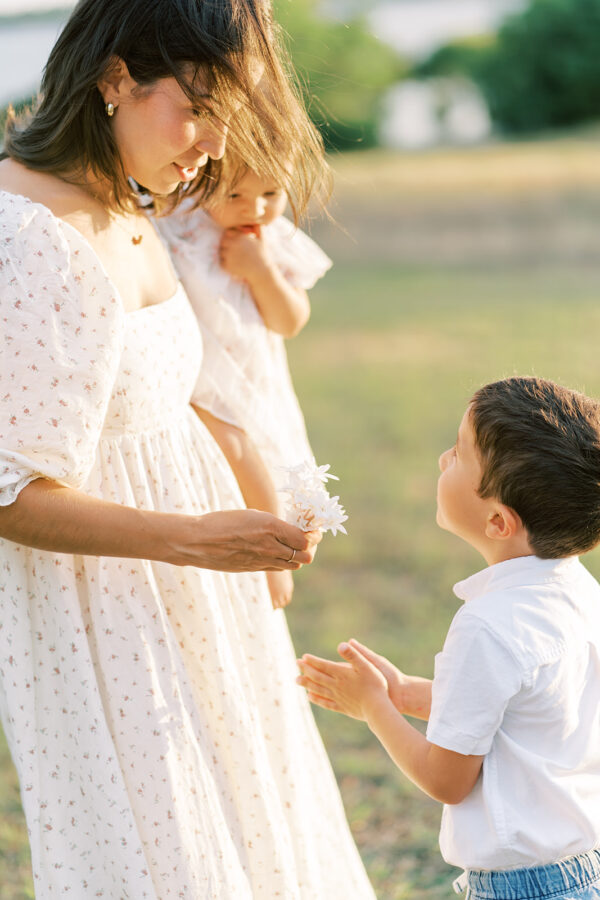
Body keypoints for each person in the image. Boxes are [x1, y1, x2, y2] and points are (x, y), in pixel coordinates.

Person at [0, 1, 377, 897]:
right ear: (115, 76)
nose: (213, 145)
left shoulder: (130, 198)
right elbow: (10, 493)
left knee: (247, 831)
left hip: (201, 599)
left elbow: (155, 399)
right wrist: (193, 539)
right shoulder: (27, 239)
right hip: (113, 619)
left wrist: (249, 471)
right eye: (201, 106)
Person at [298, 376, 600, 900]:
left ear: (499, 521)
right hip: (582, 865)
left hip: (523, 886)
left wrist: (375, 709)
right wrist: (404, 693)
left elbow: (447, 780)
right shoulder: (576, 589)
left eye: (459, 454)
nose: (442, 460)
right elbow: (522, 711)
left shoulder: (488, 624)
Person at [158, 154, 332, 609]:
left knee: (273, 450)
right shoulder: (178, 226)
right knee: (236, 452)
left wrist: (259, 268)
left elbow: (290, 320)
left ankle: (281, 549)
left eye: (271, 195)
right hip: (203, 368)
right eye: (235, 195)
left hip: (256, 370)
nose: (254, 209)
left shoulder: (270, 239)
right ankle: (271, 551)